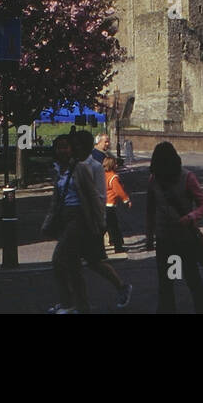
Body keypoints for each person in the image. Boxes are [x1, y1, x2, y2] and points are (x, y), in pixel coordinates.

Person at [46, 132, 131, 313]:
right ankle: (79, 304)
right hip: (69, 219)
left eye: (74, 145)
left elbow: (97, 196)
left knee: (63, 260)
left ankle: (71, 303)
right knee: (88, 262)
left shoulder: (89, 166)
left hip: (83, 219)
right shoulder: (64, 167)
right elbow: (57, 199)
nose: (73, 149)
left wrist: (100, 223)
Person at [146, 141, 203, 313]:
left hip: (184, 239)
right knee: (167, 281)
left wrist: (191, 217)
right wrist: (149, 236)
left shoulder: (187, 177)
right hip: (164, 238)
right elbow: (150, 209)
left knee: (191, 278)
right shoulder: (154, 180)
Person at [104, 154, 132, 254]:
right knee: (114, 226)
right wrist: (126, 200)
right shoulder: (113, 177)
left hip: (103, 203)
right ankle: (118, 246)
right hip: (111, 204)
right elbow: (119, 191)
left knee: (107, 226)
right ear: (113, 165)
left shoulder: (103, 175)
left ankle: (112, 241)